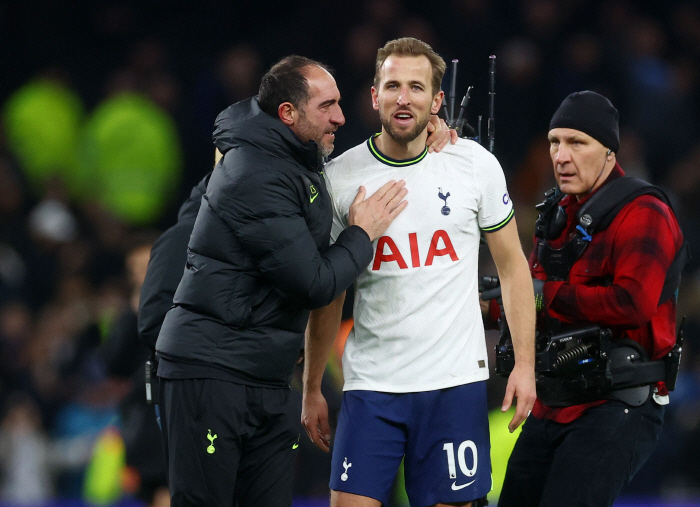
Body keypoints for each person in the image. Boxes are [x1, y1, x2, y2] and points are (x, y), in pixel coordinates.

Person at [153, 55, 453, 507]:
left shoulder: (298, 160)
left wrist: (429, 133)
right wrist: (361, 233)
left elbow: (366, 159)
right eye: (326, 106)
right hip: (212, 374)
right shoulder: (255, 173)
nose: (341, 116)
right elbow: (313, 284)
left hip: (267, 377)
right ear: (288, 114)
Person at [301, 37, 537, 507]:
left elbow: (513, 269)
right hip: (372, 387)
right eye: (392, 86)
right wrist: (311, 388)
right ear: (374, 96)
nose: (403, 98)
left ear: (437, 100)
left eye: (416, 86)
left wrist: (526, 367)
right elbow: (330, 293)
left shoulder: (474, 165)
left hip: (454, 385)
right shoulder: (339, 179)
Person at [495, 91, 686, 507]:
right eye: (554, 142)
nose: (561, 156)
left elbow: (631, 303)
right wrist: (489, 301)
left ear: (608, 152)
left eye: (576, 143)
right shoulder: (555, 214)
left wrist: (544, 296)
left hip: (619, 403)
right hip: (554, 403)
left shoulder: (644, 210)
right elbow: (528, 295)